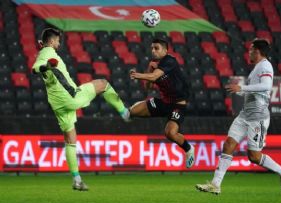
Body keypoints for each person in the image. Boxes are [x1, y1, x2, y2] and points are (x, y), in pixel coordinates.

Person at [32, 28, 130, 191]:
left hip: (58, 104)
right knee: (103, 84)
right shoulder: (47, 52)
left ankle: (77, 180)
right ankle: (125, 113)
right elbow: (36, 67)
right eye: (57, 40)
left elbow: (39, 61)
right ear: (51, 41)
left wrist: (45, 60)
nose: (58, 43)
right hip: (70, 97)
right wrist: (46, 66)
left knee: (70, 141)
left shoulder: (45, 51)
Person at [196, 38, 281, 195]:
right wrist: (242, 92)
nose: (249, 52)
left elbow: (267, 86)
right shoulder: (256, 68)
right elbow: (255, 90)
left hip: (258, 118)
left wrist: (242, 87)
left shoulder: (265, 65)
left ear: (257, 51)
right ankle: (215, 184)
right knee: (228, 145)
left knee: (253, 156)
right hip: (245, 114)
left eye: (251, 49)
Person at [129, 38, 195, 168]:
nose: (153, 51)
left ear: (165, 50)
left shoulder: (170, 61)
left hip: (178, 105)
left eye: (157, 48)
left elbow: (154, 77)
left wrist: (137, 75)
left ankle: (188, 149)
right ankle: (136, 107)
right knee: (132, 112)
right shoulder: (154, 64)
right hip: (163, 102)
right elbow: (148, 87)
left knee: (170, 133)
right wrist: (149, 70)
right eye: (152, 48)